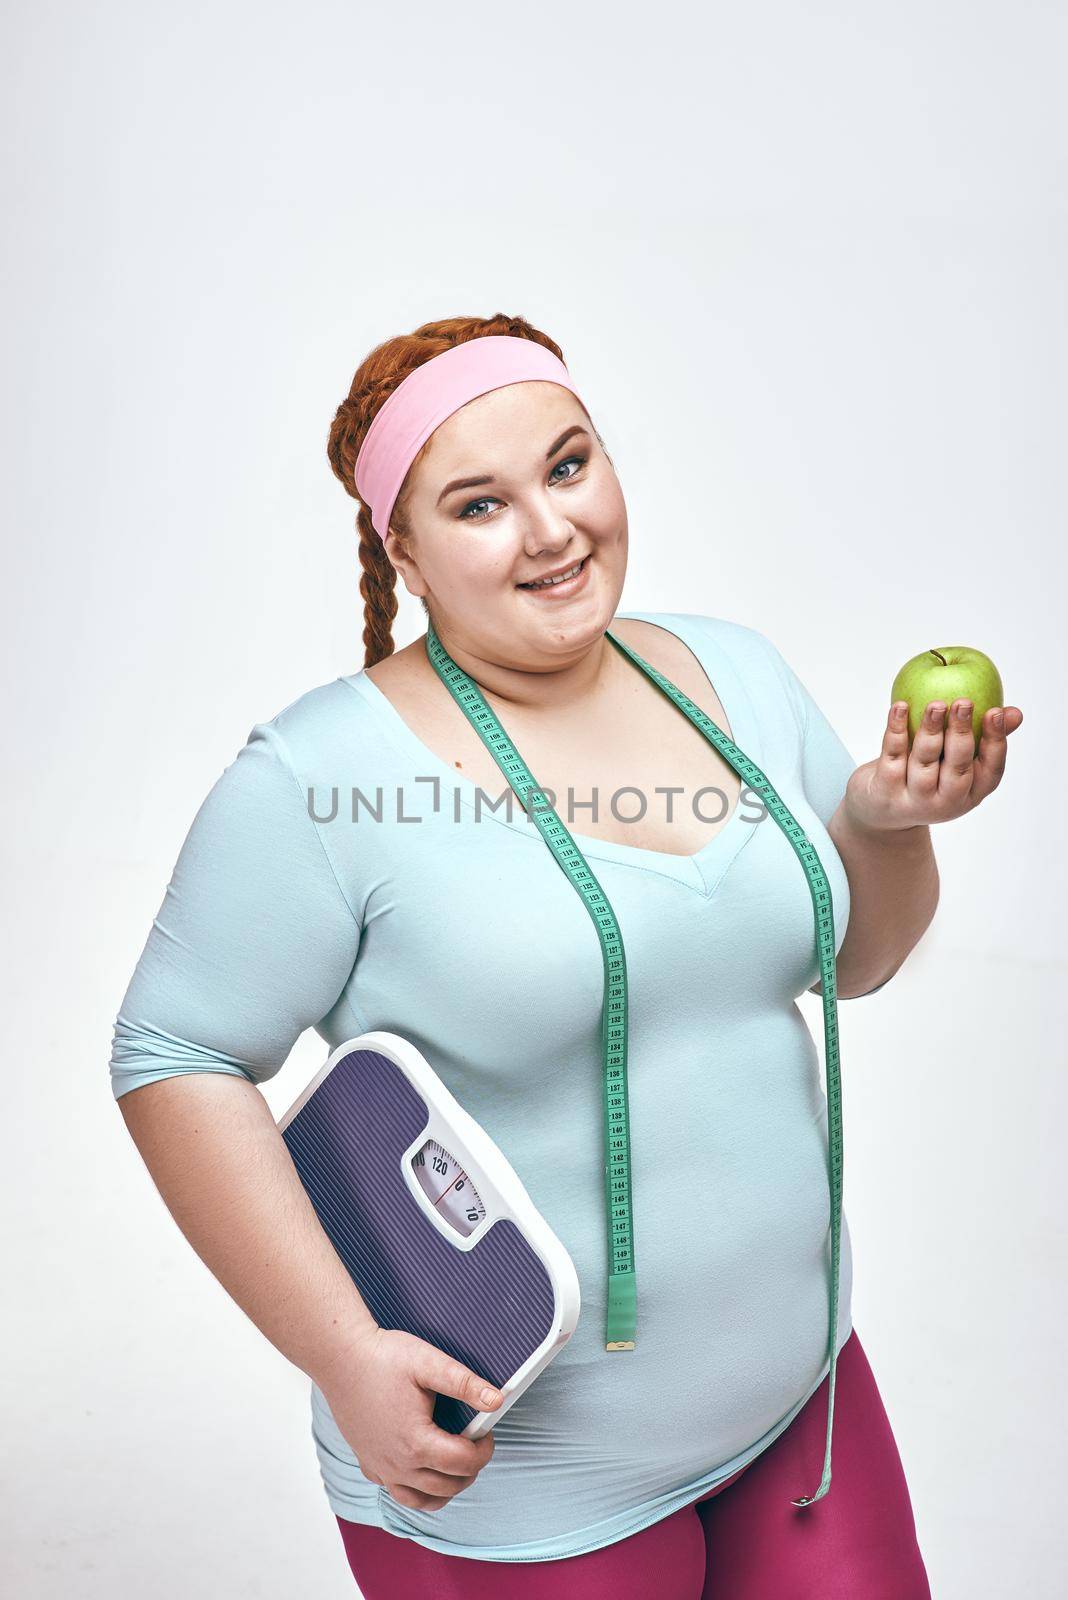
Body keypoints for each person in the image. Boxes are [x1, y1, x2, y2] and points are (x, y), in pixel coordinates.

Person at [110, 313, 1021, 1596]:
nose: (551, 529)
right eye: (479, 505)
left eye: (569, 465)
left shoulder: (734, 675)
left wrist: (884, 824)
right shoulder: (321, 777)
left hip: (799, 1408)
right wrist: (341, 1354)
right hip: (522, 1487)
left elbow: (857, 963)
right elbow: (174, 1053)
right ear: (405, 553)